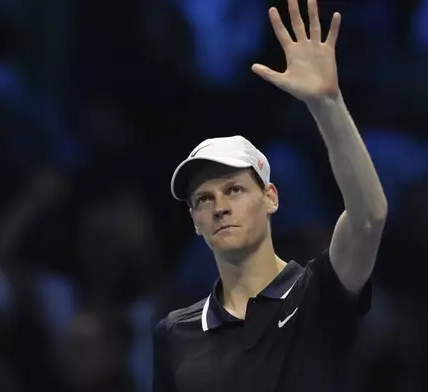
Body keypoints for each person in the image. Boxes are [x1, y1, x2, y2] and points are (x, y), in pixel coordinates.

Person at [152, 0, 388, 391]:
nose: (220, 207)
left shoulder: (317, 294)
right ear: (195, 220)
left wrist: (326, 103)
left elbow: (369, 217)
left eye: (235, 190)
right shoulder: (174, 332)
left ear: (271, 198)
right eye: (204, 199)